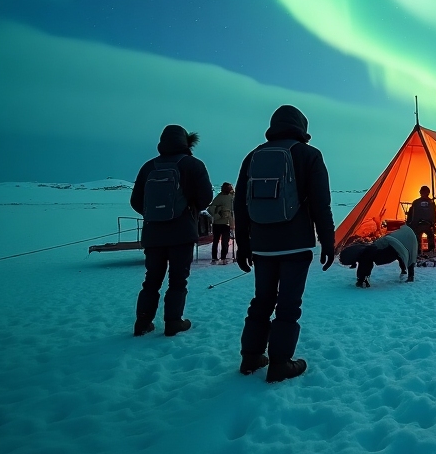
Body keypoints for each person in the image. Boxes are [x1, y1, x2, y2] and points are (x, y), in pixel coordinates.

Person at [233, 105, 335, 383]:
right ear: (302, 127)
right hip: (296, 244)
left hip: (262, 245)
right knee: (288, 304)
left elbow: (240, 205)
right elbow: (320, 204)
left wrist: (242, 244)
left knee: (262, 300)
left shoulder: (253, 156)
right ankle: (280, 363)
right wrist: (328, 240)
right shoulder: (309, 155)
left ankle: (251, 357)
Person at [130, 124, 213, 337]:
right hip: (182, 232)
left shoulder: (149, 167)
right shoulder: (193, 165)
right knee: (178, 280)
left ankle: (142, 322)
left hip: (153, 233)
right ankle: (173, 321)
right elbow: (205, 199)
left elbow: (136, 201)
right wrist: (187, 209)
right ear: (187, 143)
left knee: (151, 279)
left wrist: (155, 216)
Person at [341, 224, 418, 287]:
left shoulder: (405, 238)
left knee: (366, 256)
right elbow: (409, 258)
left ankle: (362, 280)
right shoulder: (405, 238)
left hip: (383, 249)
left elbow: (408, 257)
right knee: (367, 255)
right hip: (384, 248)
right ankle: (362, 279)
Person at [405, 186, 436, 259]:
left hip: (417, 225)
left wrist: (409, 223)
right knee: (430, 235)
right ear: (428, 193)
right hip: (428, 225)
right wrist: (433, 224)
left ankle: (418, 251)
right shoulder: (431, 203)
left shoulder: (416, 202)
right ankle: (430, 250)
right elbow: (433, 215)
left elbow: (410, 214)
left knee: (417, 237)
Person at [208, 182, 235, 262]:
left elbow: (211, 208)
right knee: (224, 241)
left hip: (217, 222)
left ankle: (215, 257)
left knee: (216, 241)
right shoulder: (231, 197)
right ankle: (223, 257)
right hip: (225, 222)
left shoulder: (218, 197)